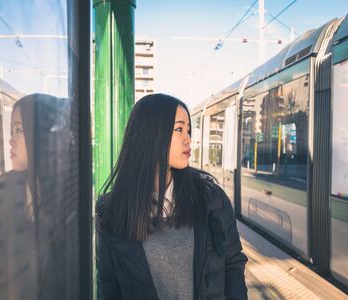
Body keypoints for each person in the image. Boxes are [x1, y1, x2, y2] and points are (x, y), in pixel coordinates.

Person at [96, 93, 248, 300]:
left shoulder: (210, 198)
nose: (188, 139)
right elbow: (109, 287)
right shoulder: (112, 212)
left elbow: (233, 263)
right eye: (179, 129)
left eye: (188, 130)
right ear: (150, 134)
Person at [0, 94, 68, 300]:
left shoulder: (69, 204)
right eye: (12, 131)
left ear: (42, 137)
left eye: (19, 130)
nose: (10, 140)